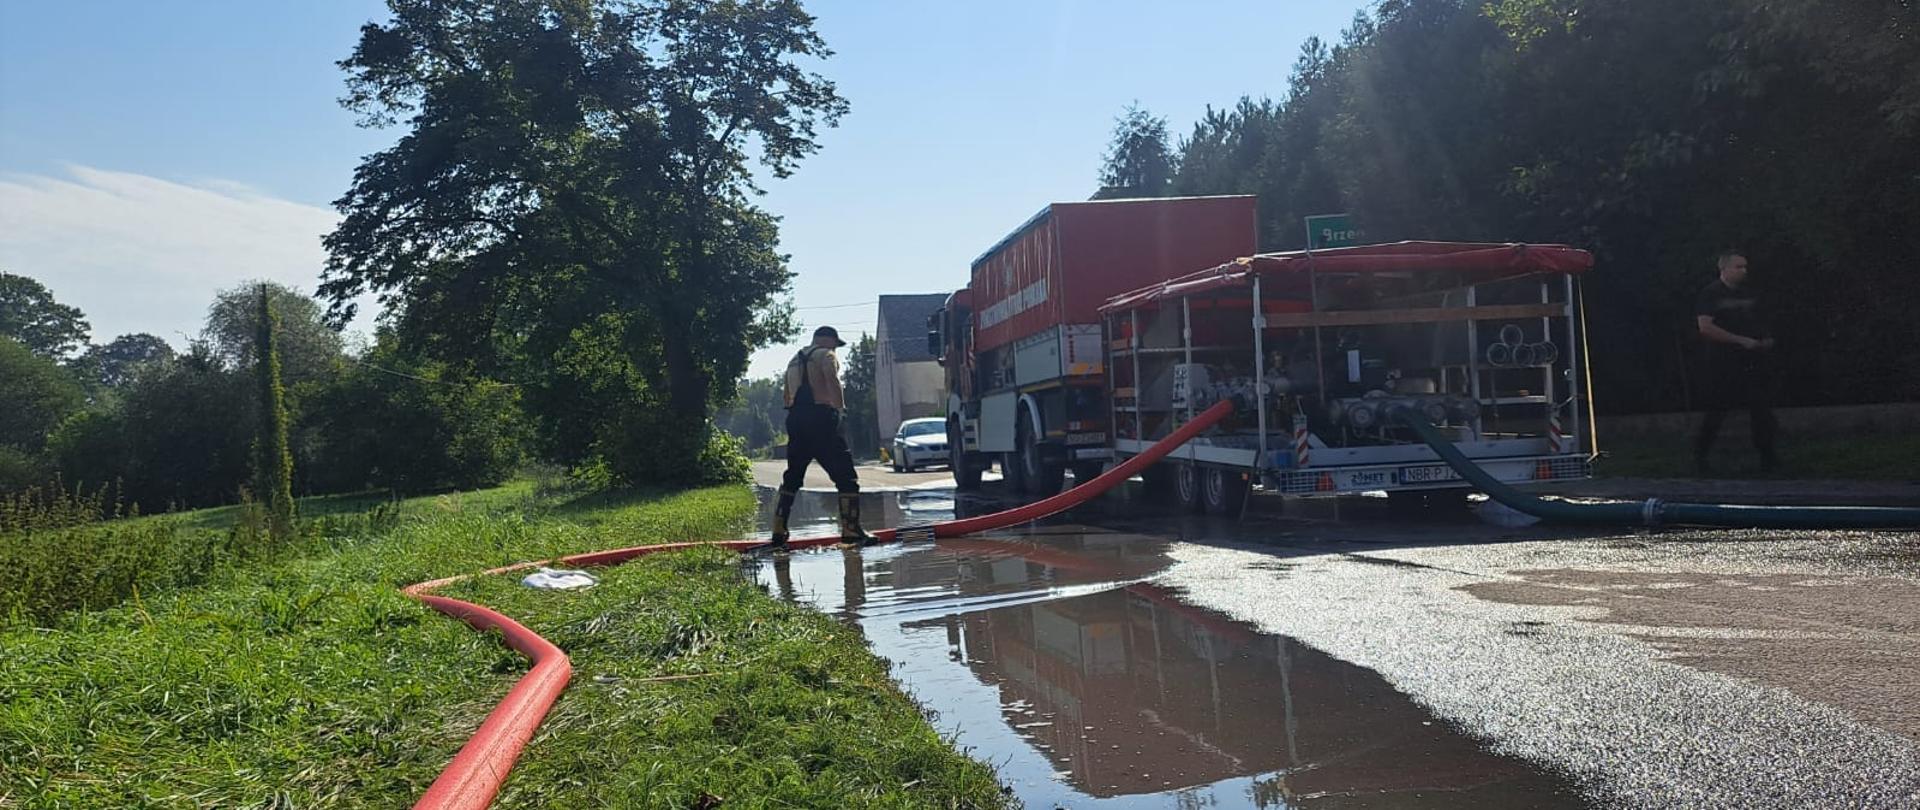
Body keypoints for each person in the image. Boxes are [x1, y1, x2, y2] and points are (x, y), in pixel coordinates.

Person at [767, 325, 872, 550]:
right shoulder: (827, 355)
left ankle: (778, 529)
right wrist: (840, 411)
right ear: (828, 340)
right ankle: (851, 530)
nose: (836, 348)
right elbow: (832, 381)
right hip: (821, 419)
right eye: (836, 344)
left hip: (796, 419)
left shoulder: (793, 360)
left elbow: (786, 395)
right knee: (846, 477)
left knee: (792, 476)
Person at [1693, 249, 1778, 474]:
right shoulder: (1711, 294)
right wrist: (1739, 340)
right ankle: (1701, 456)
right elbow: (1705, 327)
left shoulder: (1748, 293)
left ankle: (1768, 458)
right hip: (1723, 362)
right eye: (1738, 267)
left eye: (1745, 267)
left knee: (1761, 408)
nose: (1743, 271)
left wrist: (1764, 338)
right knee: (1717, 410)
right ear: (1724, 269)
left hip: (1751, 360)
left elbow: (1758, 319)